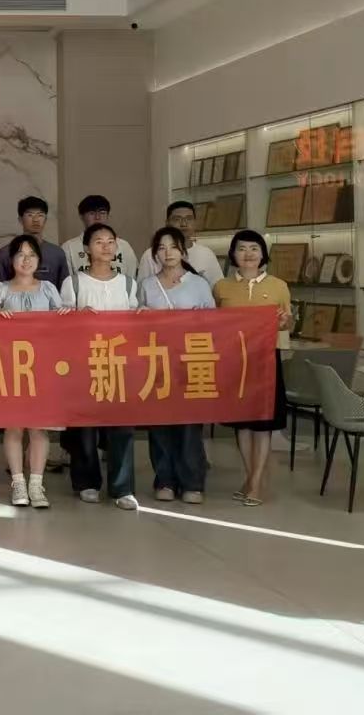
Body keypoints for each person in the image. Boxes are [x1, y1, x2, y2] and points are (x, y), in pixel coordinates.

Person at [60, 222, 140, 511]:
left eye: (110, 241)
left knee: (122, 428)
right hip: (85, 363)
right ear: (86, 248)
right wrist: (76, 316)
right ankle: (87, 482)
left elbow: (136, 322)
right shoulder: (74, 283)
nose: (105, 247)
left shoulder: (128, 283)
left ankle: (122, 487)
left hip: (120, 363)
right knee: (84, 426)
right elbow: (61, 321)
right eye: (98, 242)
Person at [213, 230, 293, 507]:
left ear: (263, 254)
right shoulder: (221, 287)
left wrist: (284, 322)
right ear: (233, 254)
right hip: (234, 361)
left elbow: (288, 322)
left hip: (266, 361)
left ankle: (256, 483)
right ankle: (250, 478)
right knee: (242, 423)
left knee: (263, 423)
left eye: (254, 248)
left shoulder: (279, 286)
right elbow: (213, 324)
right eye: (242, 248)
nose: (248, 254)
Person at [139, 226, 215, 505]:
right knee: (159, 423)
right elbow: (136, 324)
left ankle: (193, 481)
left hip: (191, 361)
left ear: (183, 250)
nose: (168, 252)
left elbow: (215, 324)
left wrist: (200, 319)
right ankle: (165, 480)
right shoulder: (147, 285)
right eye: (161, 247)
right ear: (154, 254)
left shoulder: (199, 284)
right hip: (157, 362)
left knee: (189, 424)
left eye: (173, 246)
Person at [0, 235, 65, 509]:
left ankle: (36, 483)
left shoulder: (49, 289)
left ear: (39, 261)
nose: (26, 259)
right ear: (11, 260)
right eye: (20, 254)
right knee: (14, 425)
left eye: (32, 254)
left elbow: (63, 327)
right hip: (9, 368)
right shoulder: (0, 291)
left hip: (42, 367)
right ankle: (18, 482)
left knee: (39, 427)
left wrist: (64, 316)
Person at [137, 201, 225, 286]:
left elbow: (218, 289)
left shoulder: (206, 254)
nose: (183, 224)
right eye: (177, 219)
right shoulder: (150, 255)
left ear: (195, 222)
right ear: (167, 223)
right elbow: (142, 291)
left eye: (189, 219)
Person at [0, 196, 68, 290]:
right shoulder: (5, 254)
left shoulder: (57, 253)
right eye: (30, 215)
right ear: (20, 219)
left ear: (45, 219)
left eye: (40, 215)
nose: (36, 219)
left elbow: (64, 290)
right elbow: (0, 289)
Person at [62, 195, 138, 279]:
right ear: (81, 216)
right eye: (92, 213)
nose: (97, 217)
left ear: (108, 215)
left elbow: (131, 277)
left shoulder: (124, 246)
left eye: (102, 213)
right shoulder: (69, 247)